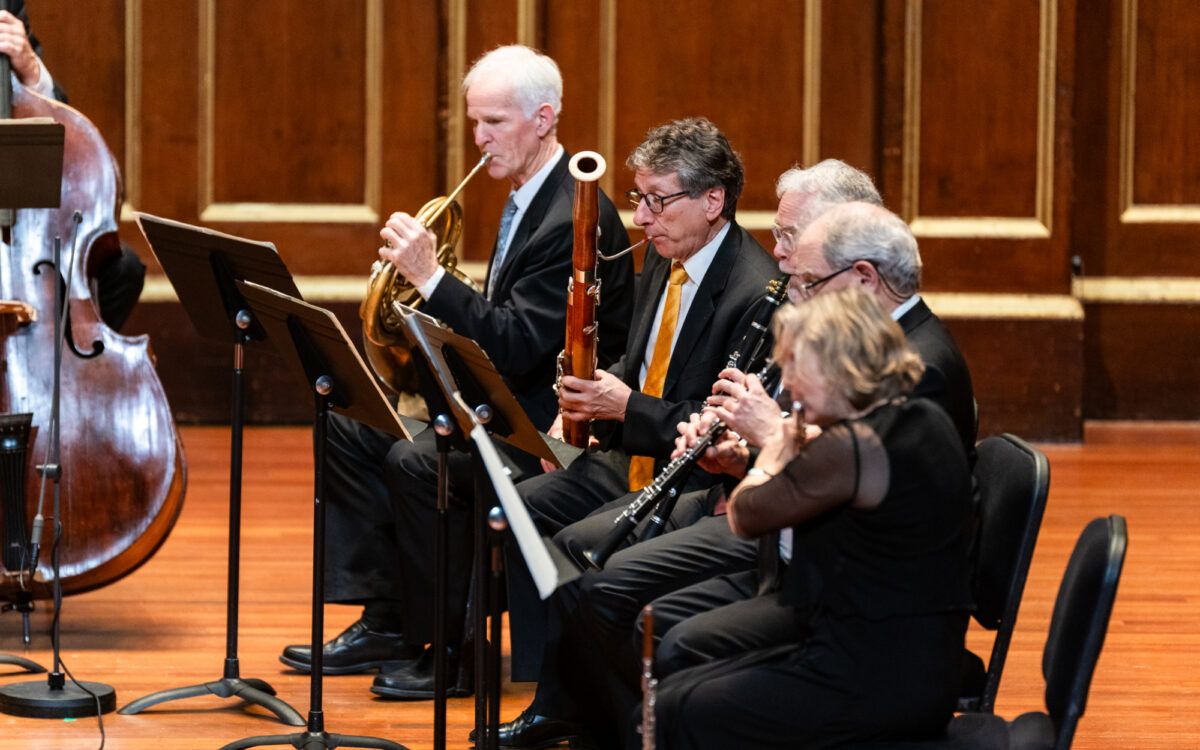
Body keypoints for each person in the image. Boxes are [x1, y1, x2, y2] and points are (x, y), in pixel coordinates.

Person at [488, 163, 892, 749]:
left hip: (783, 539)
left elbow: (837, 468)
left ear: (712, 201)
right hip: (723, 480)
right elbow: (651, 366)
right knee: (546, 523)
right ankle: (572, 708)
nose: (779, 253)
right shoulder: (675, 263)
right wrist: (732, 446)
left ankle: (629, 724)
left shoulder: (774, 295)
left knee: (607, 582)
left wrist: (753, 446)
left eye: (791, 237)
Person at [278, 45, 636, 698]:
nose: (479, 138)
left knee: (421, 463)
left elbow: (518, 346)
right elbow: (507, 321)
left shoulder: (569, 217)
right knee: (349, 423)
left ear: (543, 119)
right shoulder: (528, 194)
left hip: (546, 431)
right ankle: (390, 618)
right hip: (503, 401)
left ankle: (454, 651)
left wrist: (430, 278)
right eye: (475, 122)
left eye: (494, 122)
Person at [497, 117, 780, 693]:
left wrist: (624, 406)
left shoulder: (755, 291)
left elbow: (720, 425)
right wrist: (581, 407)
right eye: (638, 198)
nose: (641, 218)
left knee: (576, 544)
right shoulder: (664, 253)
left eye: (657, 200)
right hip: (630, 455)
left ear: (712, 200)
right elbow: (641, 357)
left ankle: (579, 695)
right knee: (521, 505)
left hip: (689, 479)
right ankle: (543, 685)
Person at [651, 287, 974, 748]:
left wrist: (774, 448)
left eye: (798, 366)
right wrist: (753, 457)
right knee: (679, 694)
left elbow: (745, 514)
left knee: (677, 708)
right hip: (906, 657)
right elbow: (827, 479)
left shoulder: (853, 447)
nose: (790, 384)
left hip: (875, 677)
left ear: (841, 369)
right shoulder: (916, 417)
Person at [1, 1, 145, 331]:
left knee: (122, 271)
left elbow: (59, 121)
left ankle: (64, 360)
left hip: (19, 228)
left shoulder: (7, 5)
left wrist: (31, 70)